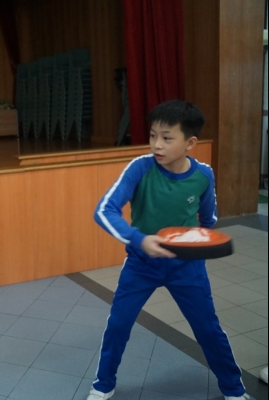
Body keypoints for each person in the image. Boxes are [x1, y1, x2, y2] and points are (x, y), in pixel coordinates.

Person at [89, 100, 249, 400]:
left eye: (166, 137)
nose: (156, 145)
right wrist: (140, 240)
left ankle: (234, 389)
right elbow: (104, 210)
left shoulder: (203, 175)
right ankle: (103, 385)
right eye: (153, 135)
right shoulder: (140, 167)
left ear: (190, 143)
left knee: (208, 329)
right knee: (118, 325)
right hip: (141, 264)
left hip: (186, 267)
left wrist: (196, 243)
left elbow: (208, 218)